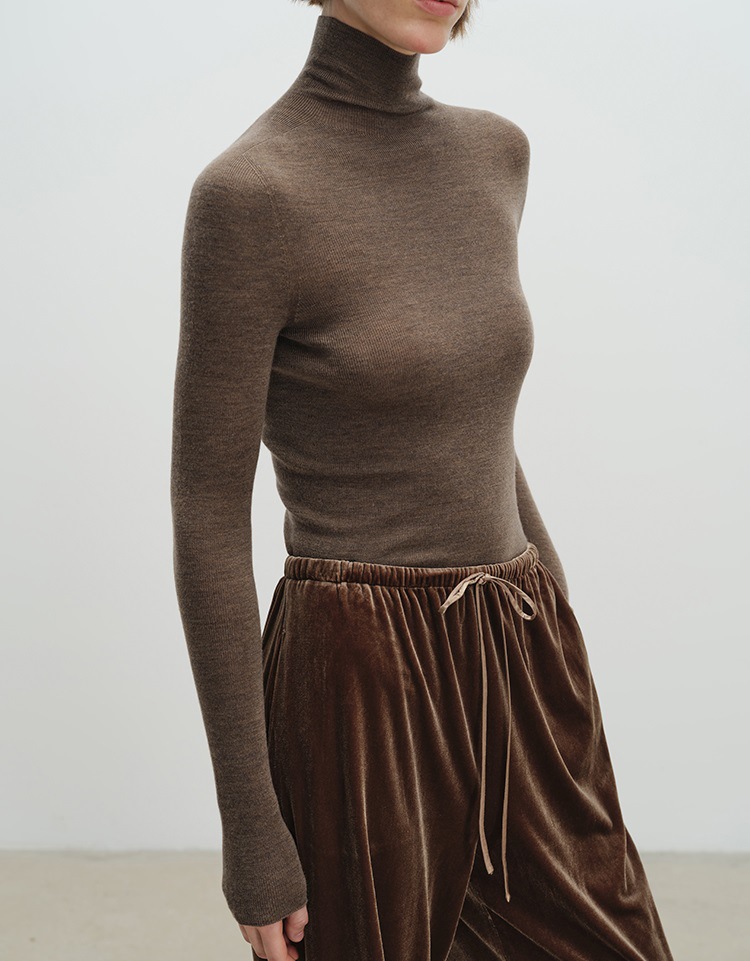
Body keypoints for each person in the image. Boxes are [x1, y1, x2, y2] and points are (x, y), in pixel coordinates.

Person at [170, 2, 676, 960]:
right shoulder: (250, 194)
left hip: (518, 643)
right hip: (359, 682)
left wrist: (556, 630)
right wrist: (252, 831)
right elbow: (206, 512)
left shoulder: (495, 155)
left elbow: (470, 421)